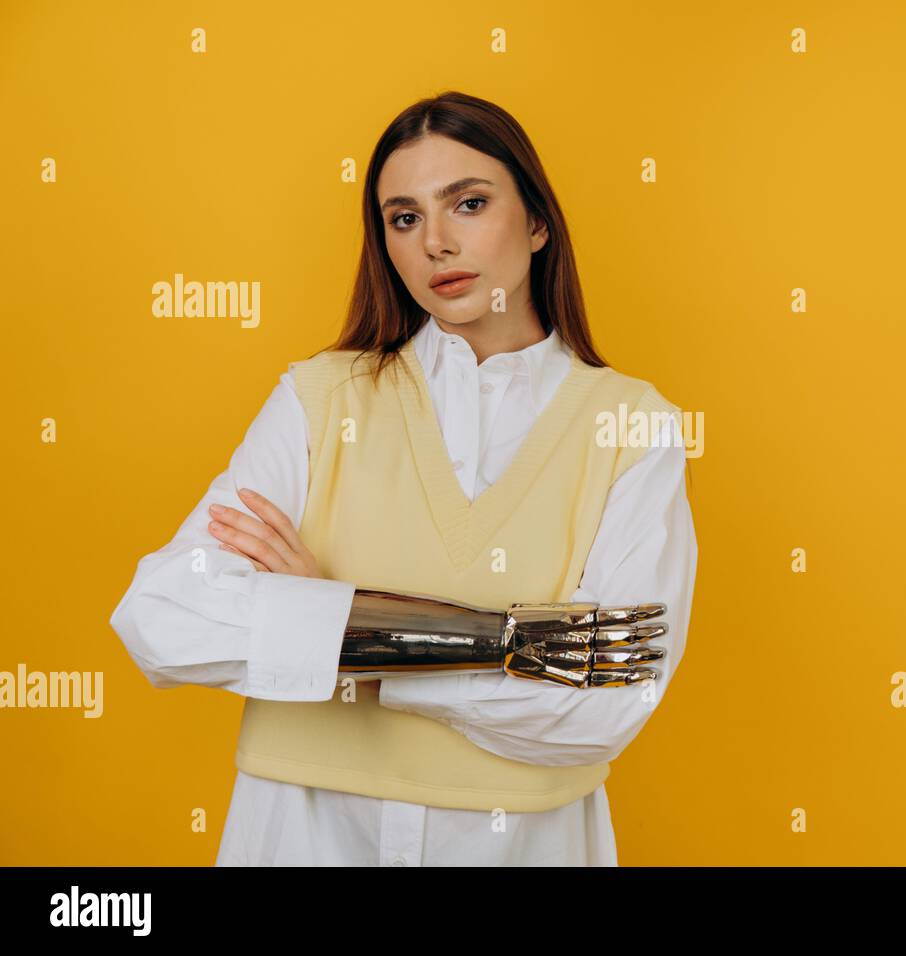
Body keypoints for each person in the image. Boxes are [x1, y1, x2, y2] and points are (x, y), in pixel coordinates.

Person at [108, 91, 698, 866]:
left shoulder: (633, 427)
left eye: (470, 203)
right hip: (303, 835)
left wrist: (335, 627)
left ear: (537, 222)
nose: (437, 244)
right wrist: (506, 645)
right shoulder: (320, 397)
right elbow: (160, 617)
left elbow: (609, 698)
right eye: (405, 218)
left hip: (523, 845)